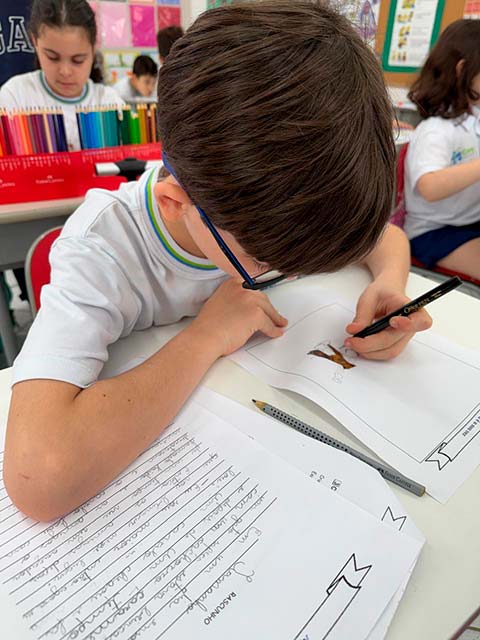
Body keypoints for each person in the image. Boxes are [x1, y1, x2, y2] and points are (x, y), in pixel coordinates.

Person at [4, 0, 431, 522]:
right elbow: (39, 478)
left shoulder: (258, 211)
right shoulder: (101, 247)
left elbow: (386, 239)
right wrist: (207, 335)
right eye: (268, 264)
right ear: (174, 203)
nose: (284, 272)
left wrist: (389, 282)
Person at [405, 19, 480, 279]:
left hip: (470, 221)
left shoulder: (474, 117)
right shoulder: (435, 129)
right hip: (433, 231)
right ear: (462, 70)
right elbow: (430, 186)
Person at [0, 0, 123, 151]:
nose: (65, 71)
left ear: (93, 49)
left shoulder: (109, 102)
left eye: (78, 60)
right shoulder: (15, 96)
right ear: (35, 42)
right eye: (52, 57)